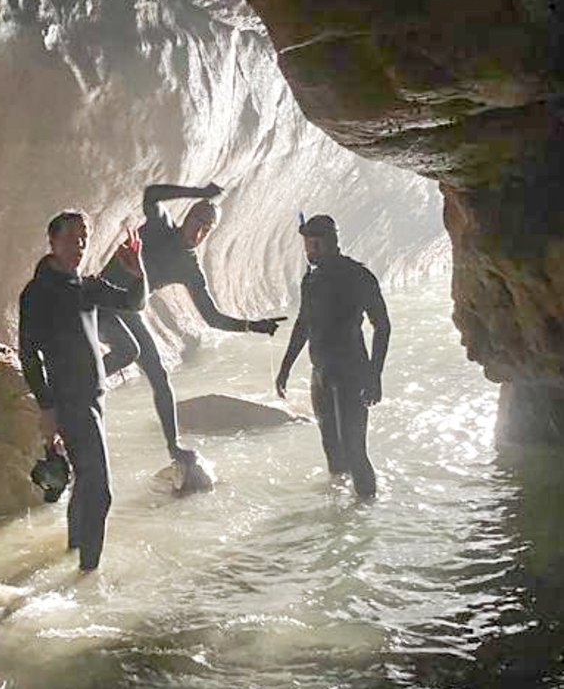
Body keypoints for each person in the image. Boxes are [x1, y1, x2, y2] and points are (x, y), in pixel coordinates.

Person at [98, 181, 284, 464]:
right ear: (187, 217)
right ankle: (81, 384)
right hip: (98, 298)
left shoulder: (190, 268)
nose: (198, 231)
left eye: (207, 229)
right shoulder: (161, 226)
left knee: (160, 376)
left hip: (128, 311)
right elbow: (151, 195)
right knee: (127, 352)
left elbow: (212, 317)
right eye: (197, 221)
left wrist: (252, 325)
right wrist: (200, 193)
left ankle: (174, 448)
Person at [19, 210, 148, 571]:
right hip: (69, 402)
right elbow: (28, 355)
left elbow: (134, 302)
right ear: (52, 241)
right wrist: (47, 407)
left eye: (84, 238)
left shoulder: (85, 286)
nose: (79, 244)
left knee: (85, 482)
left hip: (93, 398)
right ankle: (88, 574)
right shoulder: (37, 292)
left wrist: (138, 271)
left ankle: (75, 551)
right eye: (71, 237)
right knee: (100, 492)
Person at [275, 213, 391, 499]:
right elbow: (303, 323)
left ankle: (366, 510)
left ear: (330, 242)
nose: (309, 251)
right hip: (321, 373)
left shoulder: (358, 276)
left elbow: (383, 326)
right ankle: (339, 511)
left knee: (354, 449)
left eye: (313, 244)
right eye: (306, 245)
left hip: (351, 373)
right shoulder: (311, 280)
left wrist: (374, 375)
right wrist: (285, 367)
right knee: (331, 448)